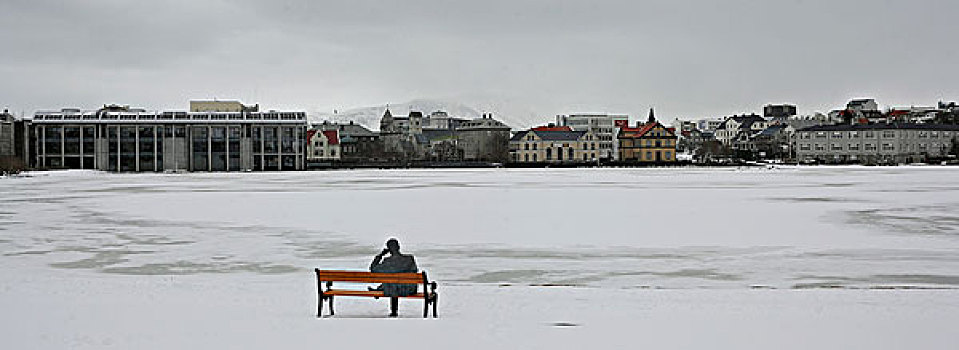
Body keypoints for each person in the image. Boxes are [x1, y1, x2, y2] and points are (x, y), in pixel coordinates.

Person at [369, 238, 418, 317]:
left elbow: (373, 269)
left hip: (392, 289)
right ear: (398, 247)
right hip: (409, 289)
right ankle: (379, 289)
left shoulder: (387, 261)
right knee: (394, 282)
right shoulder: (409, 258)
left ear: (389, 250)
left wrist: (381, 255)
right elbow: (415, 270)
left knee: (392, 283)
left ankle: (379, 290)